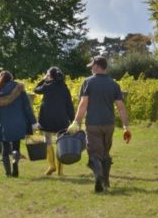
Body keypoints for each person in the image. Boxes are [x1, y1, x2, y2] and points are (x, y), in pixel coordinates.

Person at [67, 56, 131, 192]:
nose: (91, 69)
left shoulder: (88, 82)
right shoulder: (114, 84)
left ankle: (98, 176)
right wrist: (126, 127)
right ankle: (106, 182)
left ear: (97, 66)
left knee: (94, 154)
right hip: (109, 124)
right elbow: (121, 107)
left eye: (92, 66)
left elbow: (83, 104)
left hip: (93, 124)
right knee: (105, 152)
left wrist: (76, 121)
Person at [0, 70, 38, 177]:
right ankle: (15, 162)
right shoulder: (20, 90)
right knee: (16, 147)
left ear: (0, 79)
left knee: (5, 149)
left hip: (5, 125)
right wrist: (33, 122)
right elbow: (27, 107)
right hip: (19, 123)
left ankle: (8, 173)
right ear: (11, 78)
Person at [34, 66, 74, 176]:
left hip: (47, 118)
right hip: (62, 119)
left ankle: (52, 166)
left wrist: (43, 79)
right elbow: (69, 105)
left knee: (48, 141)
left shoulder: (47, 86)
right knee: (61, 143)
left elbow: (36, 89)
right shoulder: (65, 88)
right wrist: (73, 119)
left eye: (47, 73)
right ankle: (60, 171)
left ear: (50, 76)